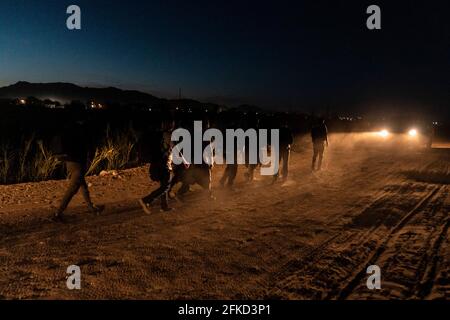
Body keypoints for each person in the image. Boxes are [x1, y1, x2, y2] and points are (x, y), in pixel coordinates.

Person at [53, 117, 104, 222]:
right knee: (73, 189)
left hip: (70, 162)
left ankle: (91, 207)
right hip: (77, 163)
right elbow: (85, 147)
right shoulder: (81, 131)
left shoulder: (71, 129)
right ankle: (58, 213)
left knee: (83, 185)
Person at [139, 119, 175, 214]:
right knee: (166, 187)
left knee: (164, 185)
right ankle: (146, 200)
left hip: (156, 164)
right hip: (164, 165)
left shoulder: (159, 135)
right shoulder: (167, 135)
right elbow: (172, 149)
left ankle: (164, 206)